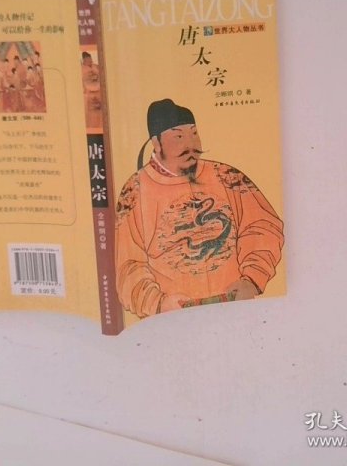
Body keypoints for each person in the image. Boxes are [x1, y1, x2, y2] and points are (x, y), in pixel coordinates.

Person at [115, 99, 284, 318]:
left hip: (234, 307)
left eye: (194, 134)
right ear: (156, 142)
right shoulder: (136, 190)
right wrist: (157, 303)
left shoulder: (226, 176)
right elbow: (127, 264)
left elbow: (263, 226)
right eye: (178, 137)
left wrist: (252, 278)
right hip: (173, 315)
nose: (190, 144)